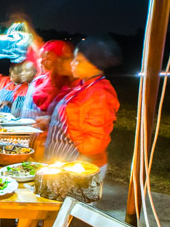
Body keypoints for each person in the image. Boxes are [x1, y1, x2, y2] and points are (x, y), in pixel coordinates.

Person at [42, 36, 121, 179]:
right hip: (62, 164)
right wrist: (50, 121)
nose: (72, 64)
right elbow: (76, 117)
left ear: (95, 65)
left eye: (78, 61)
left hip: (78, 169)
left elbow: (95, 142)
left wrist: (78, 168)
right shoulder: (83, 86)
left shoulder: (100, 93)